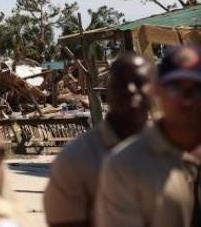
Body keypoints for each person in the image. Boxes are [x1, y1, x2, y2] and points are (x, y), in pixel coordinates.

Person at [95, 45, 201, 227]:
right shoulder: (124, 165)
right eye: (175, 88)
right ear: (157, 92)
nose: (186, 100)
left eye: (197, 89)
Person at [43, 53, 153, 227]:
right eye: (122, 83)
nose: (131, 89)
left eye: (139, 82)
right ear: (107, 92)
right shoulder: (75, 160)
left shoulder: (174, 152)